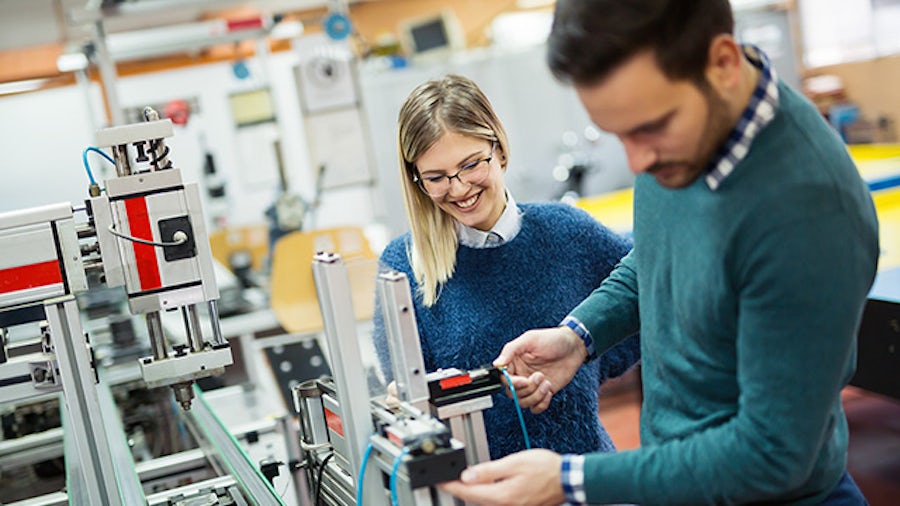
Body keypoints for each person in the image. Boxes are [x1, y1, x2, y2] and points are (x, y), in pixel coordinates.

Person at [442, 1, 879, 505]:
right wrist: (579, 337)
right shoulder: (683, 134)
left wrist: (570, 480)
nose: (637, 161)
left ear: (722, 63)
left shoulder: (808, 211)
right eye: (618, 134)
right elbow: (655, 255)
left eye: (648, 128)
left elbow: (771, 453)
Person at [372, 74, 640, 460]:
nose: (460, 187)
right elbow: (407, 396)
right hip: (483, 490)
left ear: (498, 148)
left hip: (583, 480)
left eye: (470, 165)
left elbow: (642, 302)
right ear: (417, 180)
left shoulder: (567, 231)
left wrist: (581, 357)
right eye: (436, 177)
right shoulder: (403, 267)